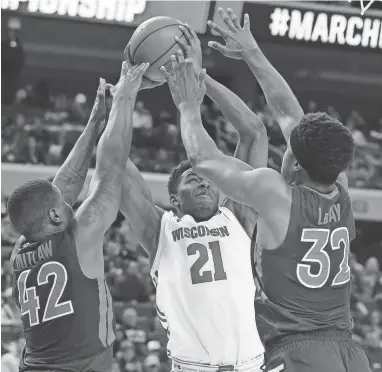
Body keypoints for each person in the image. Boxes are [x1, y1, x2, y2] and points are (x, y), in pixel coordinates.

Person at [161, 8, 371, 372]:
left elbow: (204, 160)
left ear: (298, 165)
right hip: (348, 352)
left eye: (289, 149)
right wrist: (251, 53)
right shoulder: (340, 185)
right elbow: (290, 114)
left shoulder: (276, 194)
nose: (284, 147)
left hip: (299, 351)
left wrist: (187, 105)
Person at [118, 31, 267, 371]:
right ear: (174, 198)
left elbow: (254, 133)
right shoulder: (161, 229)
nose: (203, 180)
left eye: (206, 177)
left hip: (251, 365)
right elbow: (117, 168)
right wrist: (124, 97)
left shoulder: (240, 216)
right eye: (192, 179)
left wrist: (200, 78)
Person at [7, 62, 149, 371]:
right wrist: (124, 99)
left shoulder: (19, 251)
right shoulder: (78, 237)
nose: (70, 199)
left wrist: (95, 123)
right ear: (56, 216)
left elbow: (63, 185)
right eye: (63, 204)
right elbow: (111, 169)